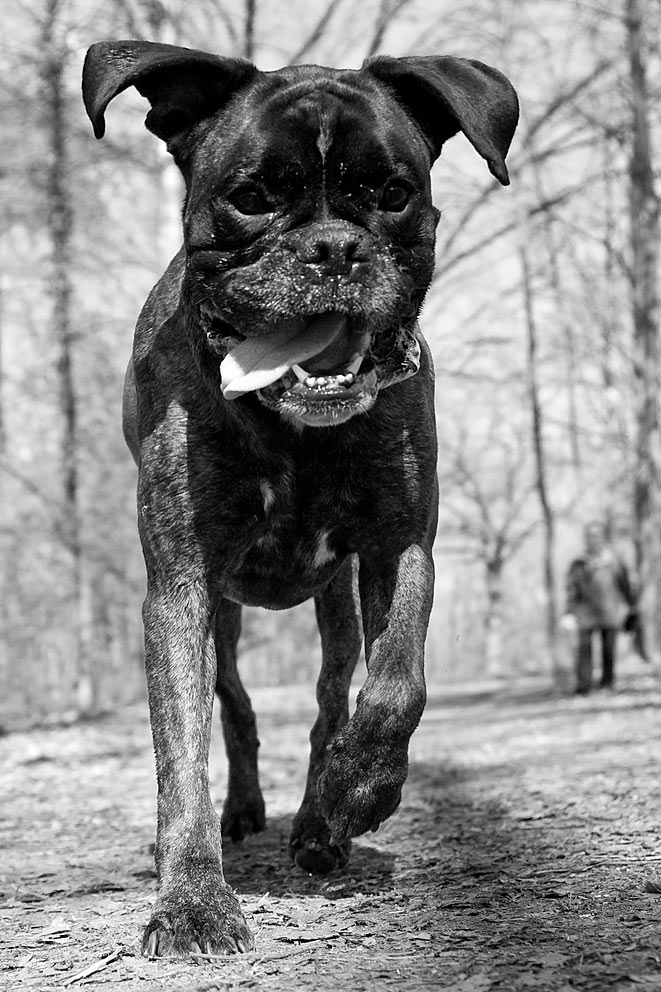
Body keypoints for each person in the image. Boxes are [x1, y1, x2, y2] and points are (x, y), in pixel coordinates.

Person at [563, 522, 637, 694]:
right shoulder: (578, 563)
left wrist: (631, 606)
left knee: (608, 649)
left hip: (610, 610)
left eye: (596, 535)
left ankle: (607, 683)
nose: (592, 539)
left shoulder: (614, 560)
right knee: (584, 649)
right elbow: (571, 588)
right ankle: (584, 686)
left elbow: (624, 584)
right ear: (585, 538)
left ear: (602, 537)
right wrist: (568, 612)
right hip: (585, 611)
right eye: (589, 536)